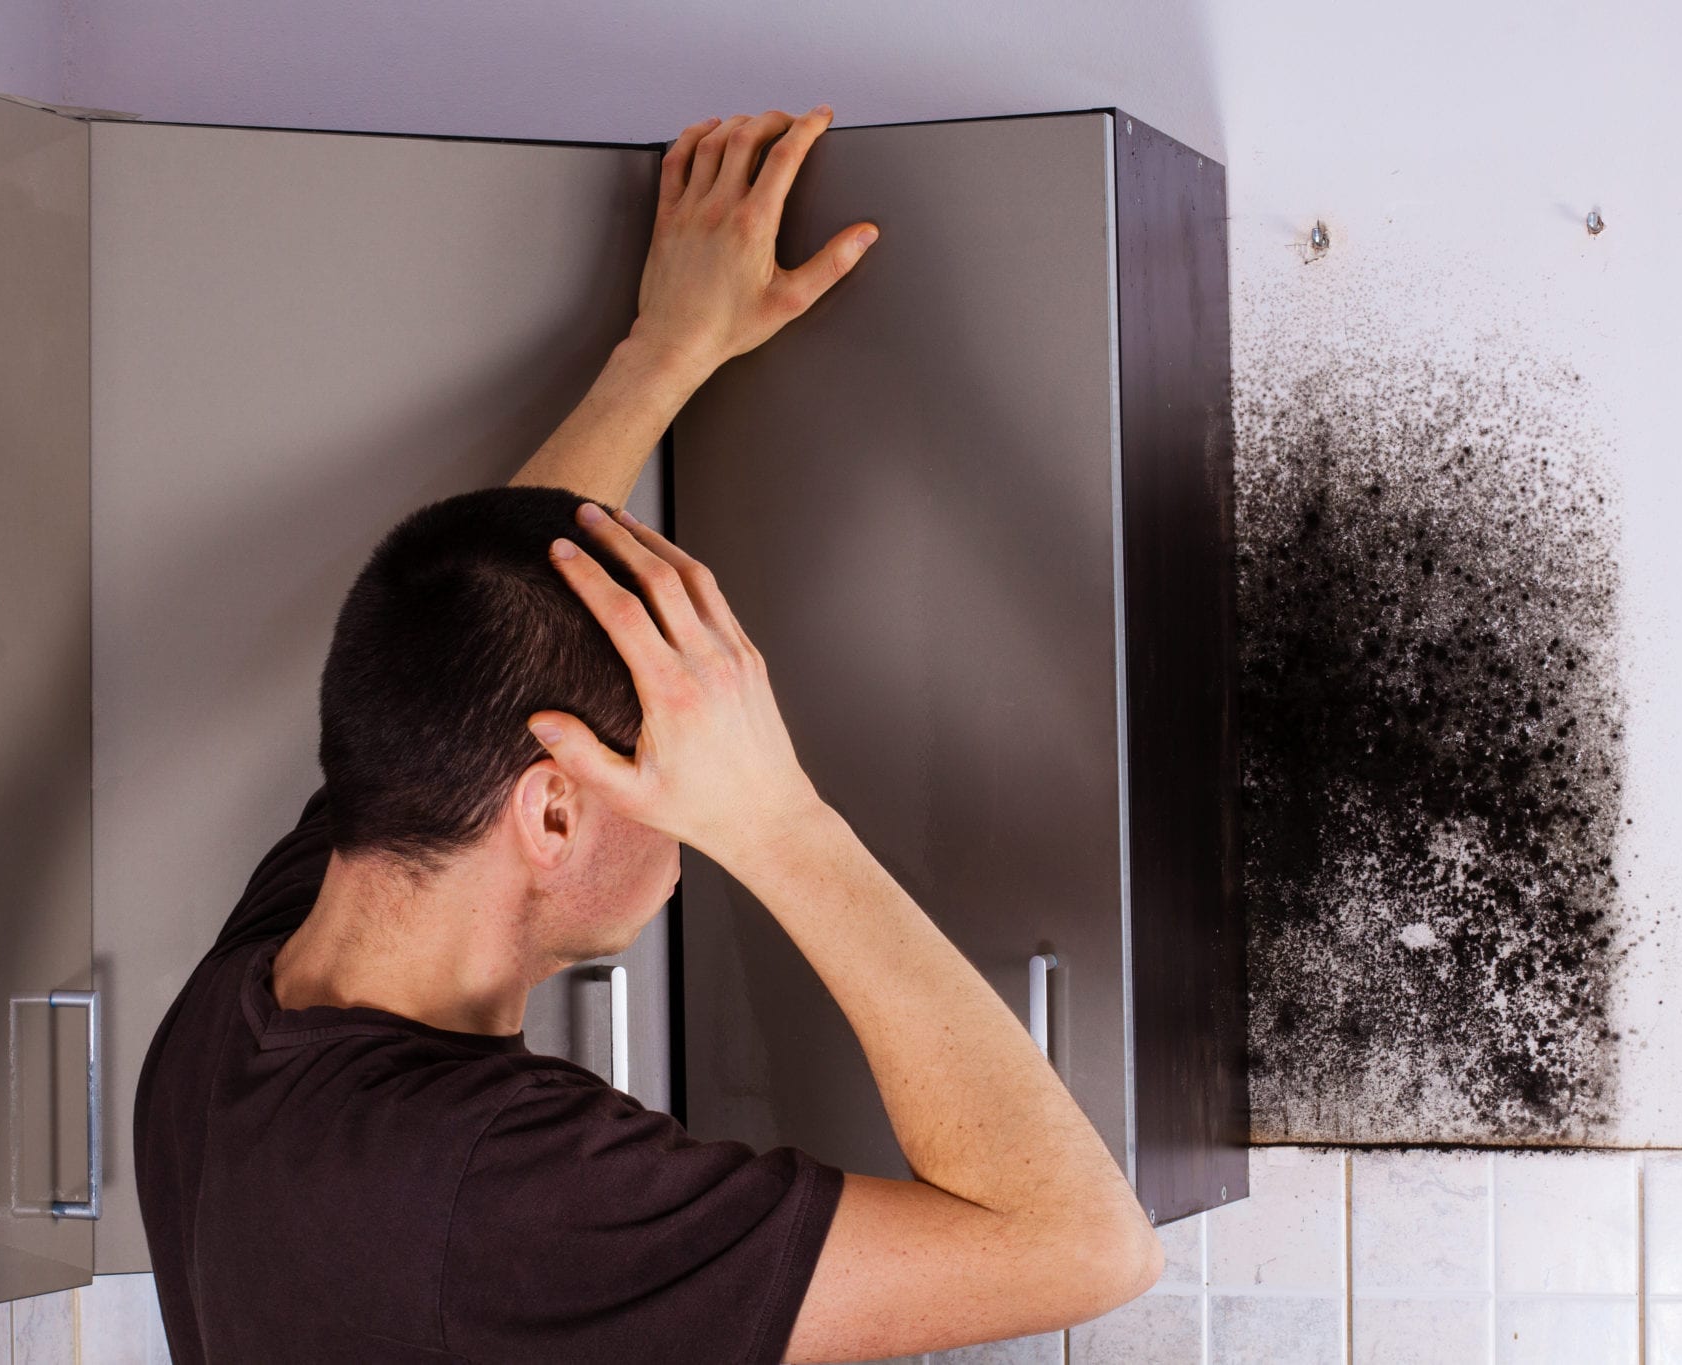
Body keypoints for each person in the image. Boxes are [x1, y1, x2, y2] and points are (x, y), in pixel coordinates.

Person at [133, 105, 1162, 1365]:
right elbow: (1084, 1246)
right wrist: (780, 821)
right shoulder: (496, 1189)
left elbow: (491, 608)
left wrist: (663, 351)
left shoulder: (254, 1001)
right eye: (679, 785)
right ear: (552, 808)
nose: (694, 841)